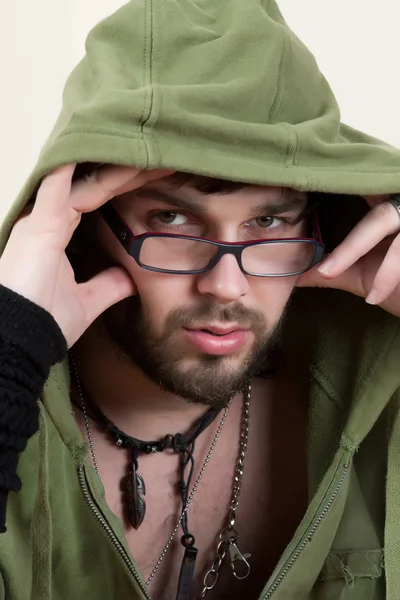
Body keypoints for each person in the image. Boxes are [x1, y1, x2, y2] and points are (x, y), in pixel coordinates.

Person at [0, 0, 400, 599]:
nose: (228, 286)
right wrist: (11, 348)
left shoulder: (373, 380)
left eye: (268, 220)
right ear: (84, 229)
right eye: (173, 218)